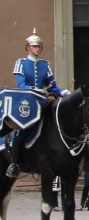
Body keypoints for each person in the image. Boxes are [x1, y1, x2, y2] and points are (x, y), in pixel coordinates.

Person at [5, 29, 71, 178]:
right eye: (34, 46)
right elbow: (21, 84)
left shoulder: (45, 65)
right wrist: (34, 89)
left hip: (42, 103)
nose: (37, 49)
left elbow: (52, 86)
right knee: (22, 131)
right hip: (27, 104)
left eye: (39, 46)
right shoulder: (20, 63)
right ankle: (14, 164)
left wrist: (63, 92)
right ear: (28, 47)